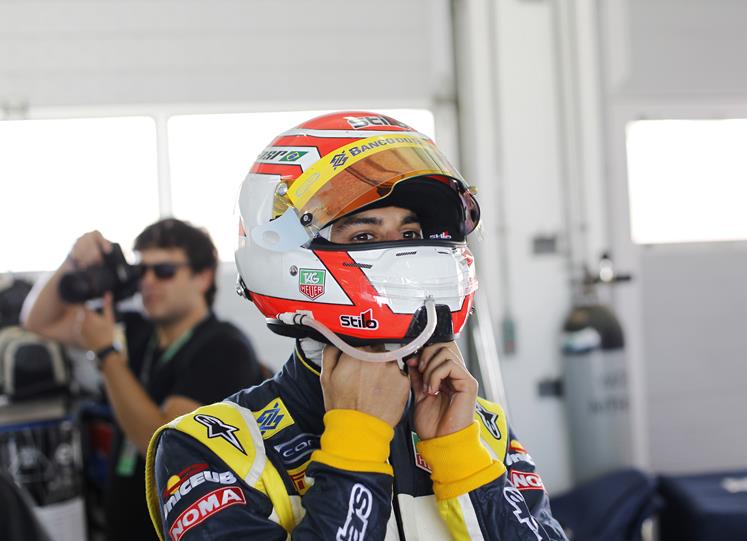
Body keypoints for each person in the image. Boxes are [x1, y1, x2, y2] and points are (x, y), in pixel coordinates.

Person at [146, 112, 568, 540]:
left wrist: (459, 453)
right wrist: (355, 444)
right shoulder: (210, 448)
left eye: (410, 234)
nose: (406, 256)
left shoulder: (482, 426)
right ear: (285, 256)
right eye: (364, 236)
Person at [22, 218, 262, 541]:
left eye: (164, 270)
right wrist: (73, 260)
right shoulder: (135, 332)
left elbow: (161, 441)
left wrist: (107, 354)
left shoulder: (225, 348)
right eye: (141, 271)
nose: (148, 281)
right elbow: (38, 321)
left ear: (203, 277)